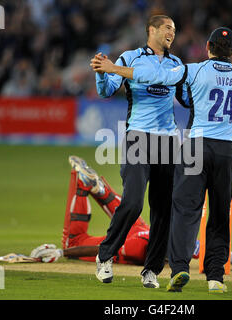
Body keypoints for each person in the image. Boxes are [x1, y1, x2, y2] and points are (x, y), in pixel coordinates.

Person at [91, 27, 232, 293]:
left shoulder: (192, 70)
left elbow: (156, 77)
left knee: (183, 211)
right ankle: (215, 278)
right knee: (220, 214)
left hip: (195, 146)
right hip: (227, 151)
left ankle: (177, 269)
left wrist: (113, 69)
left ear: (208, 48)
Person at [30, 156, 232, 273]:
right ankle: (88, 187)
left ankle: (100, 189)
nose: (173, 261)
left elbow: (205, 249)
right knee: (74, 241)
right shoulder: (138, 249)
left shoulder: (177, 242)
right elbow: (102, 250)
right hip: (135, 237)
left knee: (126, 214)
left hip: (142, 228)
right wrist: (62, 252)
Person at [89, 15, 183, 288]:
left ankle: (151, 270)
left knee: (164, 209)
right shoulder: (129, 57)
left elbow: (183, 95)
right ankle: (105, 256)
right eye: (167, 28)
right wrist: (100, 72)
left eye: (174, 30)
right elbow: (107, 91)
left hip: (167, 141)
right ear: (151, 30)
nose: (172, 33)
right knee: (132, 202)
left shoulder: (176, 64)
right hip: (138, 137)